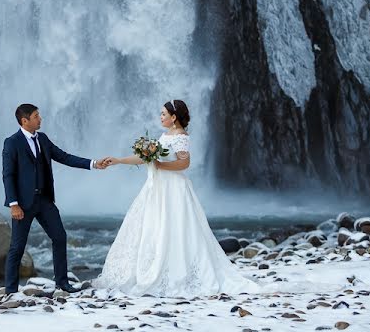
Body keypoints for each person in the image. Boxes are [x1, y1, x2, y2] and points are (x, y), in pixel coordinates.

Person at [93, 99, 259, 297]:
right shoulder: (166, 135)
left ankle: (175, 273)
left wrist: (160, 166)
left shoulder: (180, 136)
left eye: (164, 114)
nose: (160, 117)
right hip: (157, 188)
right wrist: (119, 160)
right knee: (154, 228)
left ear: (174, 118)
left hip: (173, 189)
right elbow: (146, 158)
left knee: (175, 229)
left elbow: (184, 163)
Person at [2, 103, 112, 294]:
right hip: (23, 204)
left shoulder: (42, 139)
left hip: (44, 200)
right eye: (36, 116)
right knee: (17, 247)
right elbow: (8, 175)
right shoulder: (12, 142)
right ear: (24, 120)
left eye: (39, 115)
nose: (40, 118)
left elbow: (64, 157)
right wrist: (13, 204)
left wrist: (94, 164)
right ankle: (11, 290)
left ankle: (62, 283)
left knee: (60, 237)